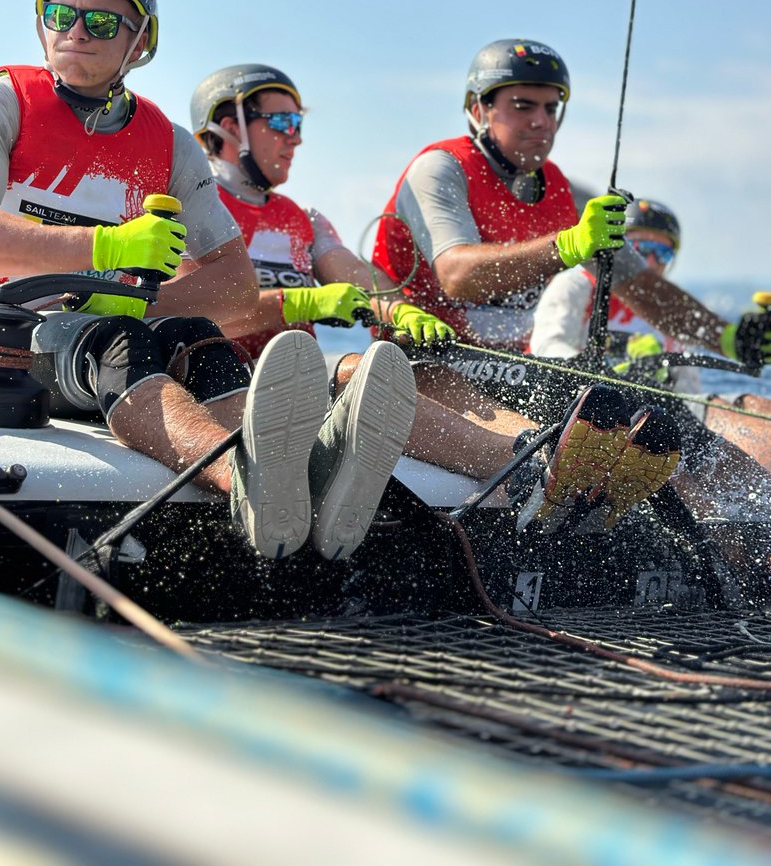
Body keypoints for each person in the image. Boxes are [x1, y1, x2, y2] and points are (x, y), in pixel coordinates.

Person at [0, 0, 418, 564]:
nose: (75, 31)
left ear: (139, 44)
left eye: (101, 21)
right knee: (118, 342)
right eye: (60, 13)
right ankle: (248, 485)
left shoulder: (172, 146)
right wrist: (104, 248)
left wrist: (129, 294)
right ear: (41, 23)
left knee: (194, 335)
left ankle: (307, 474)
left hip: (96, 332)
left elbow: (234, 288)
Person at [186, 62, 682, 532]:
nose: (296, 135)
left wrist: (402, 312)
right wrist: (300, 305)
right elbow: (196, 313)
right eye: (281, 121)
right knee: (367, 371)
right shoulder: (196, 204)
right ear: (229, 126)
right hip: (215, 380)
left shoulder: (307, 220)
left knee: (403, 368)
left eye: (297, 121)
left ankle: (550, 466)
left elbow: (364, 281)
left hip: (293, 383)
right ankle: (528, 465)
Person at [371, 38, 771, 518]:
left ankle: (729, 538)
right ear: (478, 108)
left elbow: (642, 288)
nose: (541, 121)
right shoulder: (440, 168)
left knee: (657, 422)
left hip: (515, 370)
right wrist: (567, 245)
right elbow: (456, 274)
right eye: (522, 106)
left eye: (550, 107)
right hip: (428, 365)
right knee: (599, 411)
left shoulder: (561, 190)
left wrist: (727, 337)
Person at [531, 198, 771, 469]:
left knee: (757, 406)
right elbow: (547, 349)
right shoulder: (578, 284)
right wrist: (616, 362)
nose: (652, 261)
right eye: (641, 249)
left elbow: (687, 393)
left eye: (663, 253)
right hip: (593, 410)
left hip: (662, 409)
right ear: (622, 250)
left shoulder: (668, 307)